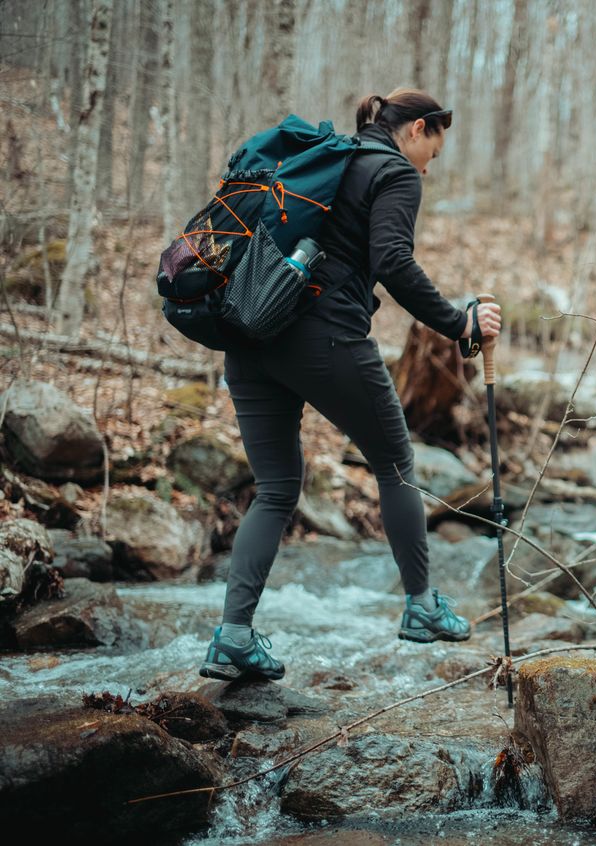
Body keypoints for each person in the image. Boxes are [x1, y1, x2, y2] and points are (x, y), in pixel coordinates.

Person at [200, 88, 502, 681]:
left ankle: (232, 636)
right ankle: (421, 606)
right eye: (433, 153)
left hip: (249, 335)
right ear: (417, 130)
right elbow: (393, 261)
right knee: (395, 464)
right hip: (325, 340)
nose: (428, 167)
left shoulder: (328, 159)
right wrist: (458, 322)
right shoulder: (393, 172)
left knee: (277, 488)